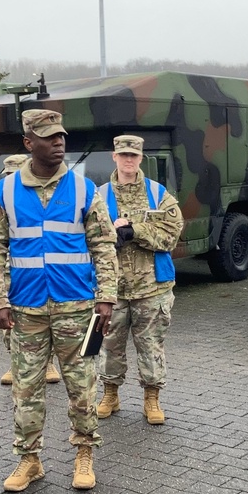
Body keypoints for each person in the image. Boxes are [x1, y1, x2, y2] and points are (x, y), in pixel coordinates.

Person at [0, 109, 118, 492]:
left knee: (82, 387)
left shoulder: (84, 188)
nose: (58, 142)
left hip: (77, 307)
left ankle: (84, 454)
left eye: (61, 136)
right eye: (48, 137)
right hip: (26, 309)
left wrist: (106, 297)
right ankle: (30, 461)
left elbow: (104, 246)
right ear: (28, 143)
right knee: (26, 389)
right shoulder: (5, 191)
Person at [96, 135, 184, 424]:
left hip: (152, 287)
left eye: (134, 155)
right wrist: (113, 237)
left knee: (151, 347)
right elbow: (87, 237)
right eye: (123, 155)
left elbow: (172, 235)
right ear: (114, 157)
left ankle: (152, 398)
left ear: (141, 157)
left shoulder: (158, 194)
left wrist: (136, 232)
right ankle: (110, 393)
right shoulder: (99, 195)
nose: (129, 160)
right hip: (113, 289)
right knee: (109, 345)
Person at [0, 154, 61, 387]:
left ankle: (49, 362)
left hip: (40, 272)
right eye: (9, 174)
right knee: (11, 319)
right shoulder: (1, 198)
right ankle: (16, 361)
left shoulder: (43, 198)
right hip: (11, 269)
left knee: (45, 316)